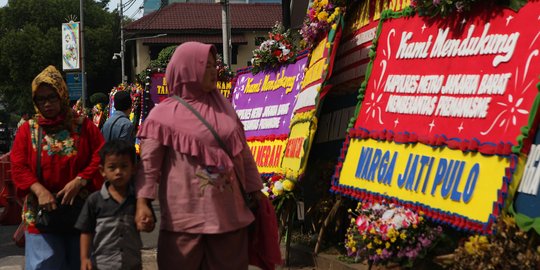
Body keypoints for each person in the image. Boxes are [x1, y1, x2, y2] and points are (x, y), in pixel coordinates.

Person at [134, 42, 264, 270]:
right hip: (184, 223)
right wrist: (143, 202)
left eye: (215, 66)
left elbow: (243, 152)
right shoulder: (162, 115)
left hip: (229, 219)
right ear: (186, 69)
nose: (214, 71)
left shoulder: (225, 108)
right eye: (207, 66)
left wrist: (255, 190)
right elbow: (149, 166)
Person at [10, 65, 105, 270]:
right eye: (40, 99)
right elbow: (18, 166)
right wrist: (39, 190)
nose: (47, 104)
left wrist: (81, 180)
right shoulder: (28, 130)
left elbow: (102, 156)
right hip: (41, 217)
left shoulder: (83, 126)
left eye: (52, 97)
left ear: (62, 95)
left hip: (80, 215)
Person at [75, 139, 142, 270]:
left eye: (124, 166)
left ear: (133, 168)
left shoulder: (137, 199)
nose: (118, 172)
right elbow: (86, 231)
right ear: (102, 170)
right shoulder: (94, 200)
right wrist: (85, 258)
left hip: (132, 264)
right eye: (112, 167)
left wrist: (146, 223)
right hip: (102, 265)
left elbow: (148, 225)